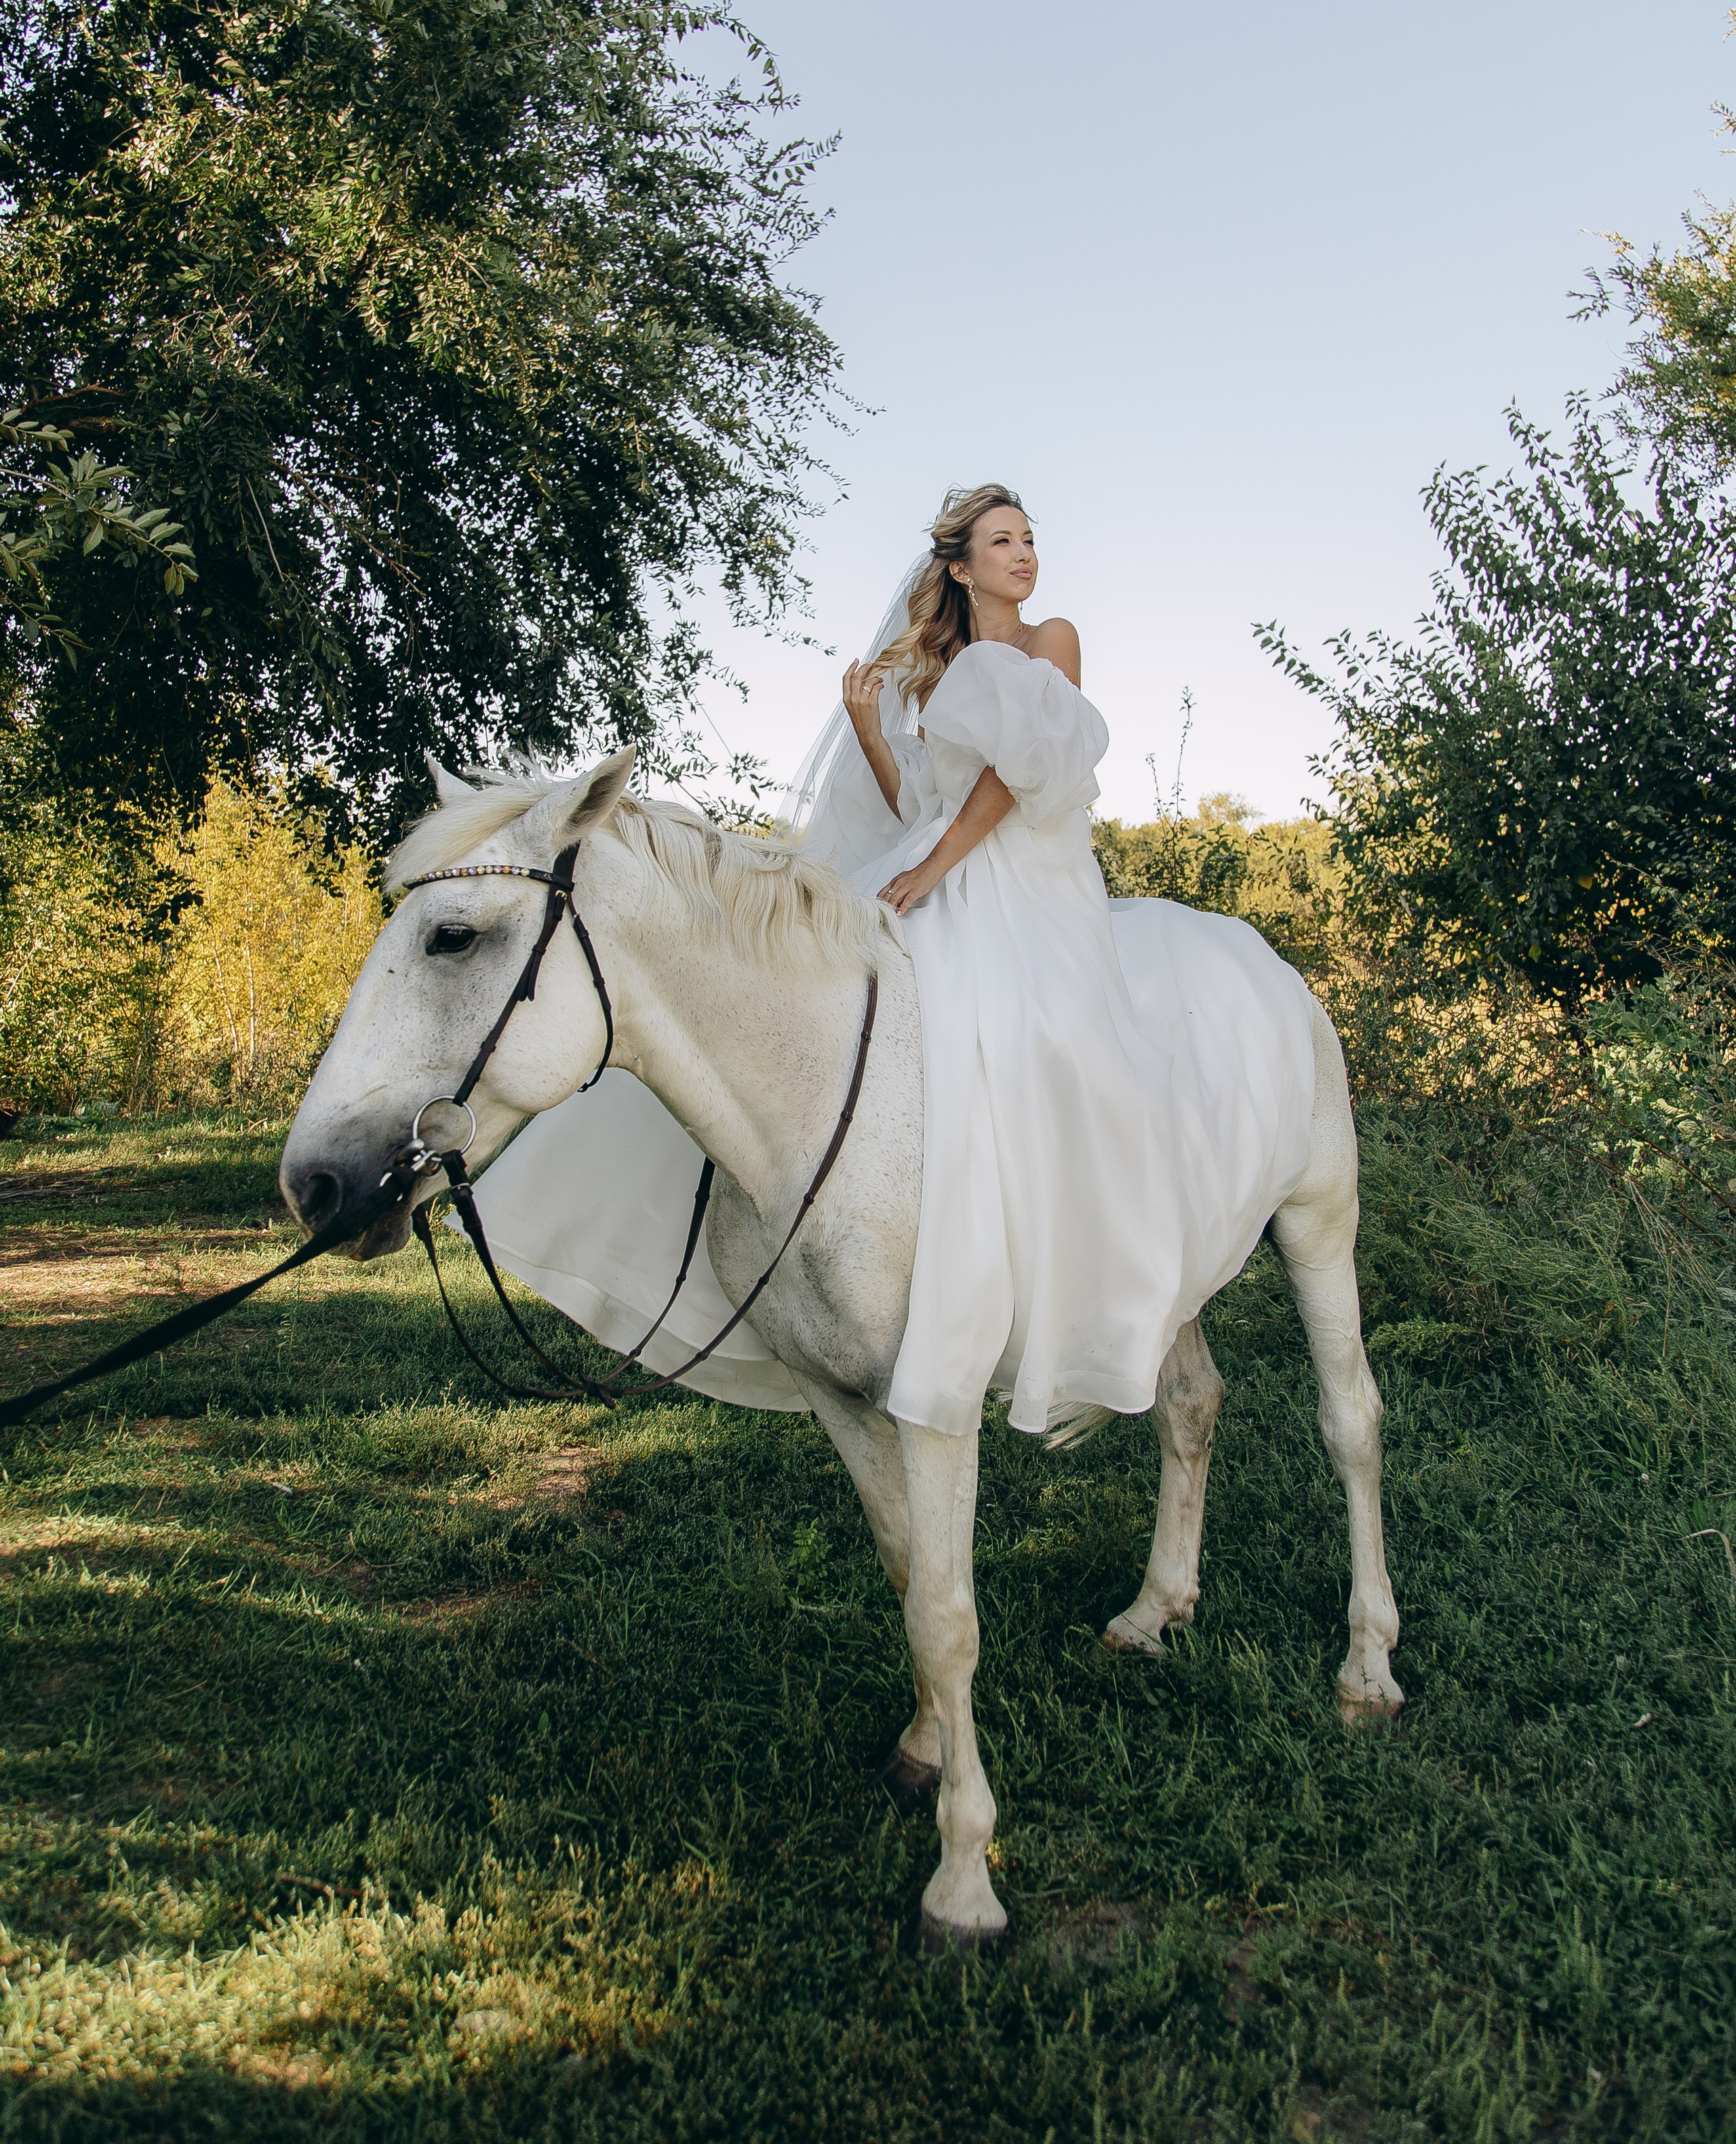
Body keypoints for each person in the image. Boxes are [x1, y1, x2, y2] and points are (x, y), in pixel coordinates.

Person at [471, 485, 1317, 1437]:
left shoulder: (1053, 642)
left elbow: (1019, 777)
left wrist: (936, 869)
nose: (1025, 555)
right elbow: (919, 799)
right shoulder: (942, 671)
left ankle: (1094, 1272)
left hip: (1031, 882)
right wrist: (876, 733)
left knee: (1055, 1045)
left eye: (1029, 540)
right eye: (1004, 542)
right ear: (959, 566)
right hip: (939, 862)